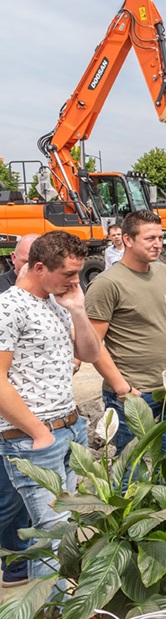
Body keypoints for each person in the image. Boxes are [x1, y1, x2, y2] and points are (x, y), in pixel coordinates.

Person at [0, 231, 101, 580]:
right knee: (54, 534)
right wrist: (38, 432)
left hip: (70, 426)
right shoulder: (8, 308)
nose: (75, 281)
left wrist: (78, 309)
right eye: (68, 275)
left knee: (64, 531)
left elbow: (89, 354)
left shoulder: (58, 301)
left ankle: (51, 606)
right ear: (38, 267)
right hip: (34, 437)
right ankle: (51, 608)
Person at [86, 210, 166, 451]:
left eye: (160, 238)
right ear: (127, 240)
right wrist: (122, 388)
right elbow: (93, 344)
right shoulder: (107, 284)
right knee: (131, 470)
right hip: (131, 394)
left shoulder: (165, 273)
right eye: (150, 238)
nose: (157, 244)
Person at [0, 233, 37, 587]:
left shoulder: (46, 293)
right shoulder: (3, 295)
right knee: (9, 495)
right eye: (24, 258)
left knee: (23, 493)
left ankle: (16, 564)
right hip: (6, 410)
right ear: (14, 258)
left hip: (32, 409)